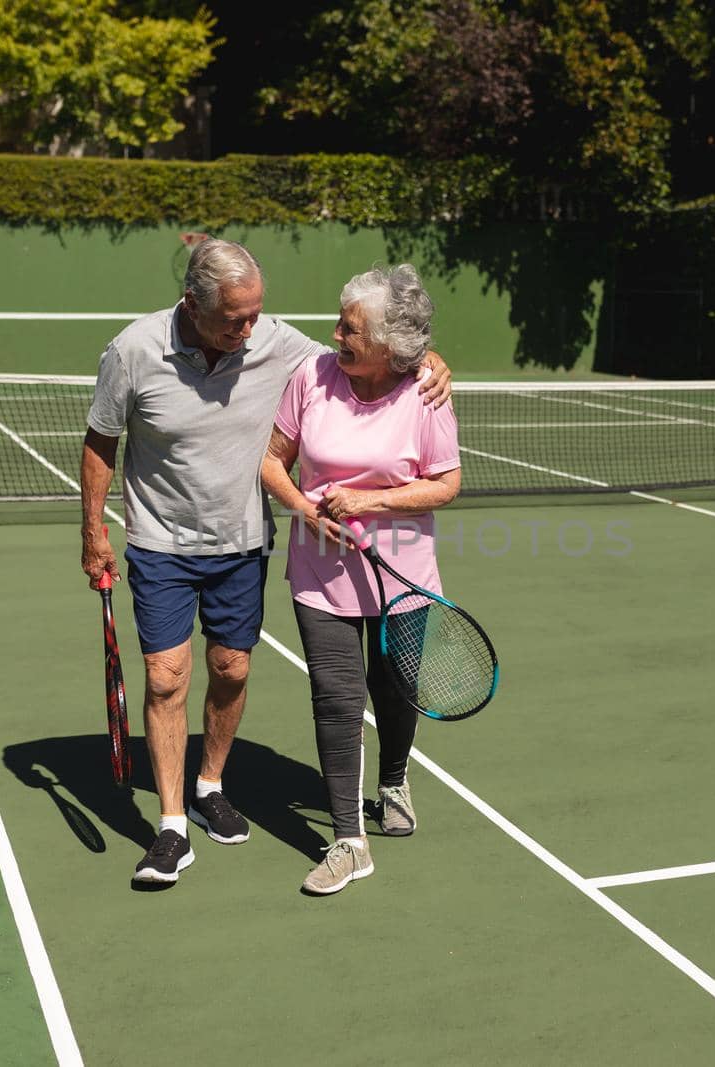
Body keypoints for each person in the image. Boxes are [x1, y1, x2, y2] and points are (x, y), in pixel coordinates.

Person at [80, 239, 451, 885]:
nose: (249, 329)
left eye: (257, 314)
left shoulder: (280, 343)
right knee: (169, 677)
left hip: (245, 546)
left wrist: (430, 359)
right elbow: (101, 441)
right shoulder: (133, 350)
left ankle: (211, 784)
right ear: (193, 304)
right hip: (164, 543)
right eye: (235, 318)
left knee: (232, 668)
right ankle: (172, 827)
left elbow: (377, 351)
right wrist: (93, 532)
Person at [260, 264, 461, 895]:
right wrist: (304, 507)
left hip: (404, 576)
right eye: (341, 322)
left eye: (350, 327)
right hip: (319, 576)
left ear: (384, 345)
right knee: (337, 699)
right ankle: (349, 839)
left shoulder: (424, 392)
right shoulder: (310, 378)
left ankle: (394, 779)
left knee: (397, 692)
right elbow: (272, 460)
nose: (336, 334)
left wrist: (369, 503)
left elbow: (447, 483)